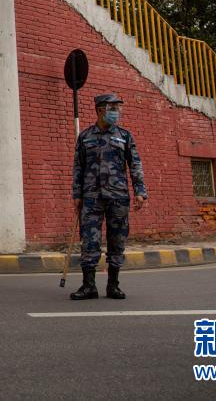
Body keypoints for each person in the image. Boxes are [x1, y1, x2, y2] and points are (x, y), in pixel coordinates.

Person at [70, 93, 147, 300]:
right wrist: (77, 194)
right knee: (89, 241)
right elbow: (78, 167)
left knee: (117, 241)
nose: (117, 112)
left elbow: (135, 164)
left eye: (118, 108)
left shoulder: (125, 136)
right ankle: (89, 286)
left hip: (118, 197)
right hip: (91, 197)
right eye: (113, 108)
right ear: (100, 110)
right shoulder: (85, 137)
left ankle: (113, 285)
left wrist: (140, 191)